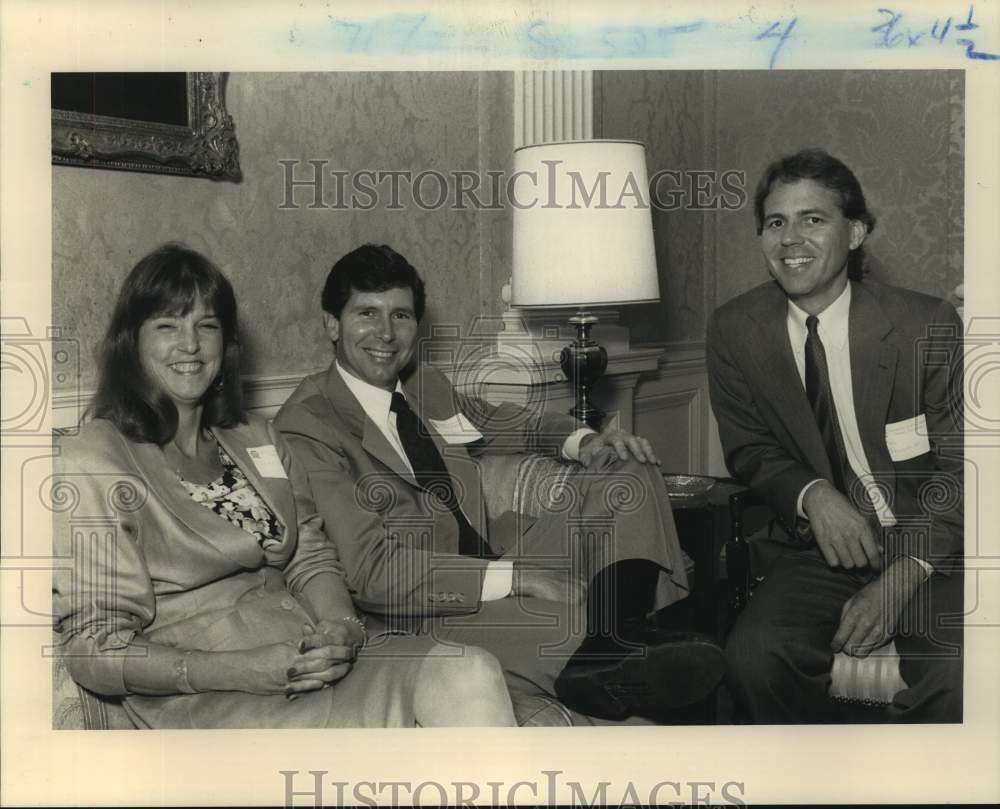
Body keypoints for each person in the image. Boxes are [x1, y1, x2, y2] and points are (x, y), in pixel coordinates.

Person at [52, 243, 517, 728]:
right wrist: (241, 670)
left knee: (469, 668)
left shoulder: (255, 436)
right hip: (208, 697)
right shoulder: (93, 460)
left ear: (225, 342)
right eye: (167, 326)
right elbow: (94, 645)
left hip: (312, 661)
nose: (190, 345)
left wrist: (343, 628)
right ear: (131, 341)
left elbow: (309, 556)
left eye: (206, 326)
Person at [274, 243, 725, 722]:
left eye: (401, 316)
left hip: (494, 553)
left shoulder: (422, 385)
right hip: (421, 611)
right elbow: (373, 574)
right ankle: (617, 646)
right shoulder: (308, 425)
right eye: (367, 313)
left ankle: (621, 638)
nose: (386, 334)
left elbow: (503, 420)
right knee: (578, 624)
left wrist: (583, 440)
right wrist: (521, 579)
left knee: (627, 468)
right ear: (332, 324)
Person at [707, 149, 964, 722]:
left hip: (935, 548)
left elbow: (964, 470)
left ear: (854, 232)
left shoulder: (926, 324)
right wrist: (812, 494)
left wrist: (902, 578)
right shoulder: (735, 329)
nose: (790, 239)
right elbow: (749, 446)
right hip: (820, 552)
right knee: (754, 658)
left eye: (812, 219)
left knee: (961, 676)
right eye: (776, 222)